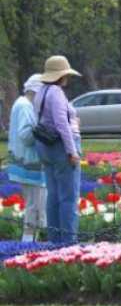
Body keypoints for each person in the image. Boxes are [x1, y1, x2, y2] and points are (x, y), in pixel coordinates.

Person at [32, 56, 82, 244]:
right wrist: (72, 152)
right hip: (61, 147)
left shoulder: (41, 92)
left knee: (53, 196)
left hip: (45, 147)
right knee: (69, 198)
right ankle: (69, 243)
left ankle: (54, 240)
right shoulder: (56, 93)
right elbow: (62, 124)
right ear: (62, 76)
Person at [8, 75, 47, 242]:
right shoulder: (25, 106)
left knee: (33, 204)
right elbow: (26, 135)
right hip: (29, 163)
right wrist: (42, 131)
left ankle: (31, 240)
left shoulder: (21, 103)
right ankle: (28, 242)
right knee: (35, 206)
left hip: (23, 162)